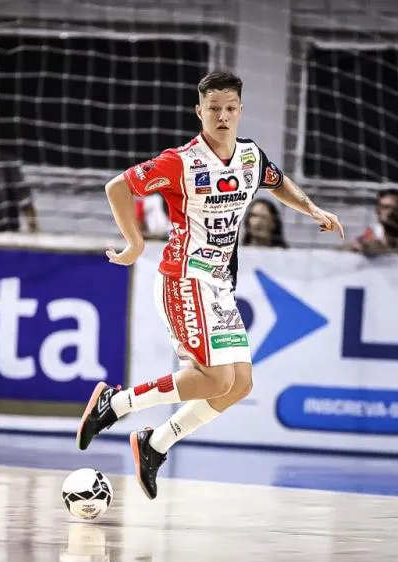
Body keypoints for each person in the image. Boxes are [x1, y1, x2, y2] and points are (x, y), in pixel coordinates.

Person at [74, 71, 343, 499]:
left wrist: (312, 208)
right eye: (213, 108)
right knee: (215, 379)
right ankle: (117, 404)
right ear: (199, 112)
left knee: (240, 385)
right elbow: (118, 187)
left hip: (219, 283)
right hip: (185, 278)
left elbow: (276, 182)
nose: (222, 116)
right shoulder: (181, 160)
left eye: (230, 108)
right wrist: (135, 241)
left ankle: (154, 444)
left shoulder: (250, 157)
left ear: (240, 111)